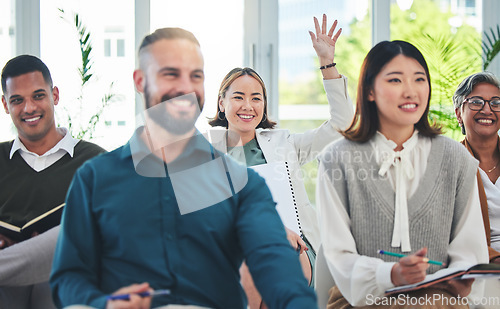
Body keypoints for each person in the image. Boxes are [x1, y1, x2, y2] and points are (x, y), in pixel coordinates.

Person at [49, 27, 318, 309]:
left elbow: (280, 271)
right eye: (170, 74)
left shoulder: (242, 184)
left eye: (195, 76)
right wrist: (105, 304)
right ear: (140, 80)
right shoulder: (94, 179)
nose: (184, 88)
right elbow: (69, 278)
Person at [316, 40, 488, 308]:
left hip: (439, 299)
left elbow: (470, 246)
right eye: (395, 80)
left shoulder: (457, 159)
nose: (410, 91)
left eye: (419, 79)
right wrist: (391, 274)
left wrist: (462, 275)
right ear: (370, 90)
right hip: (362, 299)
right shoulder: (337, 159)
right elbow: (339, 255)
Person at [207, 14, 353, 309]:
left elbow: (343, 123)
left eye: (256, 98)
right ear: (222, 103)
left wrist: (327, 63)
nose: (248, 106)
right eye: (238, 97)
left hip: (295, 252)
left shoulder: (285, 144)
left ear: (264, 104)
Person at [0, 55, 105, 309]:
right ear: (5, 104)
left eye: (38, 96)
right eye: (17, 100)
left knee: (70, 236)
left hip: (62, 276)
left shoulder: (96, 161)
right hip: (6, 283)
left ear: (54, 96)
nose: (29, 108)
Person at [454, 72, 500, 264]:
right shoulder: (451, 165)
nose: (487, 110)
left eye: (496, 102)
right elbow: (450, 234)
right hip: (482, 266)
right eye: (476, 102)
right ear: (458, 113)